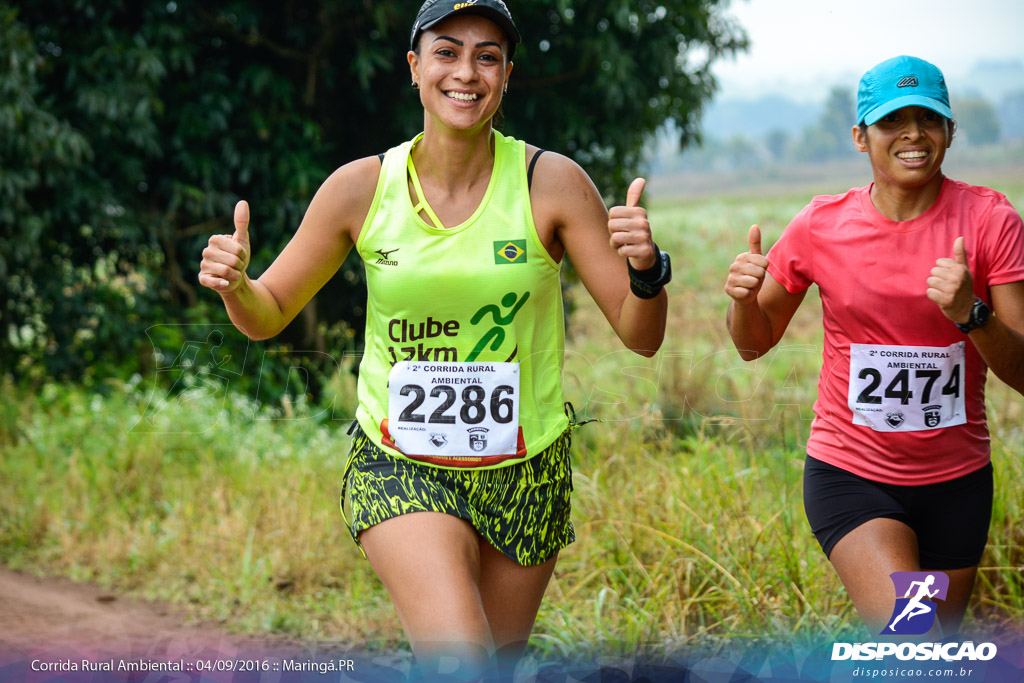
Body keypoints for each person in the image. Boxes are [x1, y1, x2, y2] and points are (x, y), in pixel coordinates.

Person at [199, 0, 669, 677]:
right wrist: (235, 286)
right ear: (415, 67)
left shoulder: (551, 183)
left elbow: (639, 332)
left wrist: (649, 273)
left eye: (487, 56)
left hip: (526, 468)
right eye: (447, 52)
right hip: (401, 461)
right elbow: (268, 311)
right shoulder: (361, 188)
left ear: (506, 75)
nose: (466, 72)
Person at [724, 55, 1024, 636]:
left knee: (937, 658)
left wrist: (972, 315)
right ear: (862, 137)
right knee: (913, 638)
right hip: (852, 473)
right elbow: (753, 344)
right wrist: (741, 301)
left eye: (928, 119)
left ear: (950, 132)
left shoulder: (992, 221)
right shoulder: (820, 225)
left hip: (957, 482)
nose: (912, 134)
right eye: (892, 121)